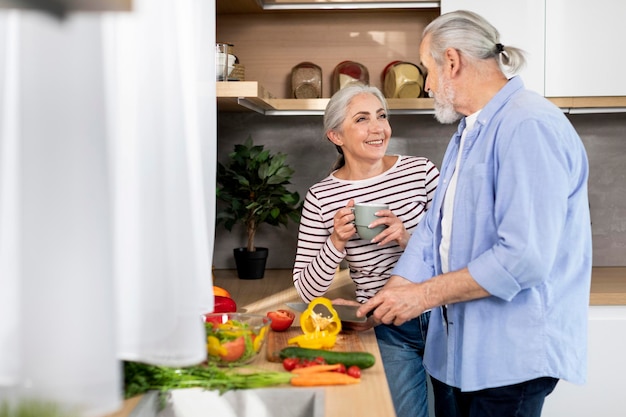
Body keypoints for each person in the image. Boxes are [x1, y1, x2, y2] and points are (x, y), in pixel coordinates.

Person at [357, 10, 592, 417]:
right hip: (461, 356)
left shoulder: (529, 126)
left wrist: (420, 296)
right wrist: (395, 292)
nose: (427, 85)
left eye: (427, 70)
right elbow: (433, 231)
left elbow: (523, 259)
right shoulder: (468, 133)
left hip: (510, 361)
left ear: (452, 61)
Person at [292, 83, 439, 417]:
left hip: (443, 315)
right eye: (362, 119)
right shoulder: (321, 197)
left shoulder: (421, 172)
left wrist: (406, 236)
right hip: (386, 327)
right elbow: (305, 288)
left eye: (381, 116)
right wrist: (335, 243)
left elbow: (457, 251)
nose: (378, 128)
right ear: (336, 136)